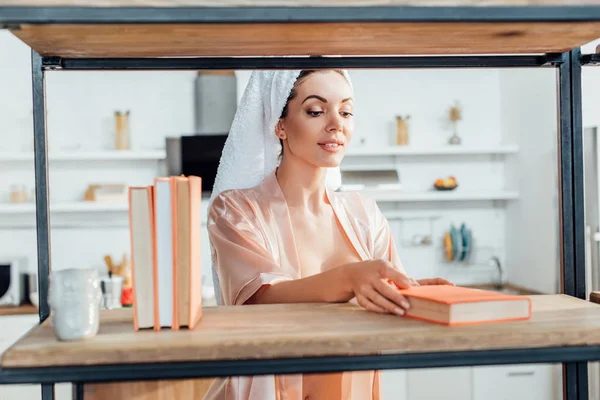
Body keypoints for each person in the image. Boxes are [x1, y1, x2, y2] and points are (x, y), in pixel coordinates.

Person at [204, 69, 452, 400]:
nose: (336, 124)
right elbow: (259, 299)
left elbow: (387, 298)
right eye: (316, 111)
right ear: (280, 125)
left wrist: (419, 296)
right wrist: (350, 278)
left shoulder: (365, 215)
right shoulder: (235, 210)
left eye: (346, 111)